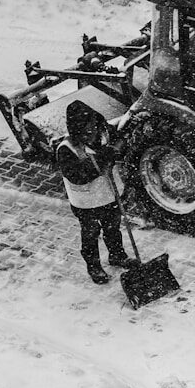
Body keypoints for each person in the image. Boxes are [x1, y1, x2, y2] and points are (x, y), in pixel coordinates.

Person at [58, 101, 134, 284]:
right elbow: (77, 176)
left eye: (93, 126)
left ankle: (117, 255)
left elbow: (120, 142)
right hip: (86, 201)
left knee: (113, 227)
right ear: (76, 131)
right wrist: (103, 159)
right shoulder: (66, 150)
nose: (91, 132)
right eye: (85, 130)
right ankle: (94, 266)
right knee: (91, 233)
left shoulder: (105, 131)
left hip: (109, 194)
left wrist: (117, 149)